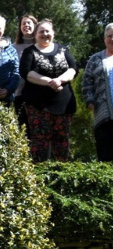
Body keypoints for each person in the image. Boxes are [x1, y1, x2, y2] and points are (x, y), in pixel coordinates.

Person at [20, 20, 78, 162]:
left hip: (63, 105)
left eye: (48, 31)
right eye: (41, 31)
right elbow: (25, 72)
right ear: (36, 34)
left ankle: (61, 177)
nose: (45, 34)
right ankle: (40, 178)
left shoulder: (63, 49)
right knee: (39, 143)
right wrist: (49, 82)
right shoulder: (29, 52)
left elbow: (73, 68)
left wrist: (60, 80)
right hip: (38, 105)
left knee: (62, 142)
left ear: (53, 33)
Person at [81, 23, 113, 162]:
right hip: (103, 114)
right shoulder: (95, 59)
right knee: (105, 153)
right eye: (109, 36)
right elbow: (87, 82)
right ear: (104, 39)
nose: (112, 39)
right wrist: (89, 100)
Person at [13, 14, 38, 129]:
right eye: (23, 23)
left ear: (35, 26)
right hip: (19, 92)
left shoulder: (40, 46)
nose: (26, 25)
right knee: (23, 128)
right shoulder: (13, 47)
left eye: (29, 23)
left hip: (38, 92)